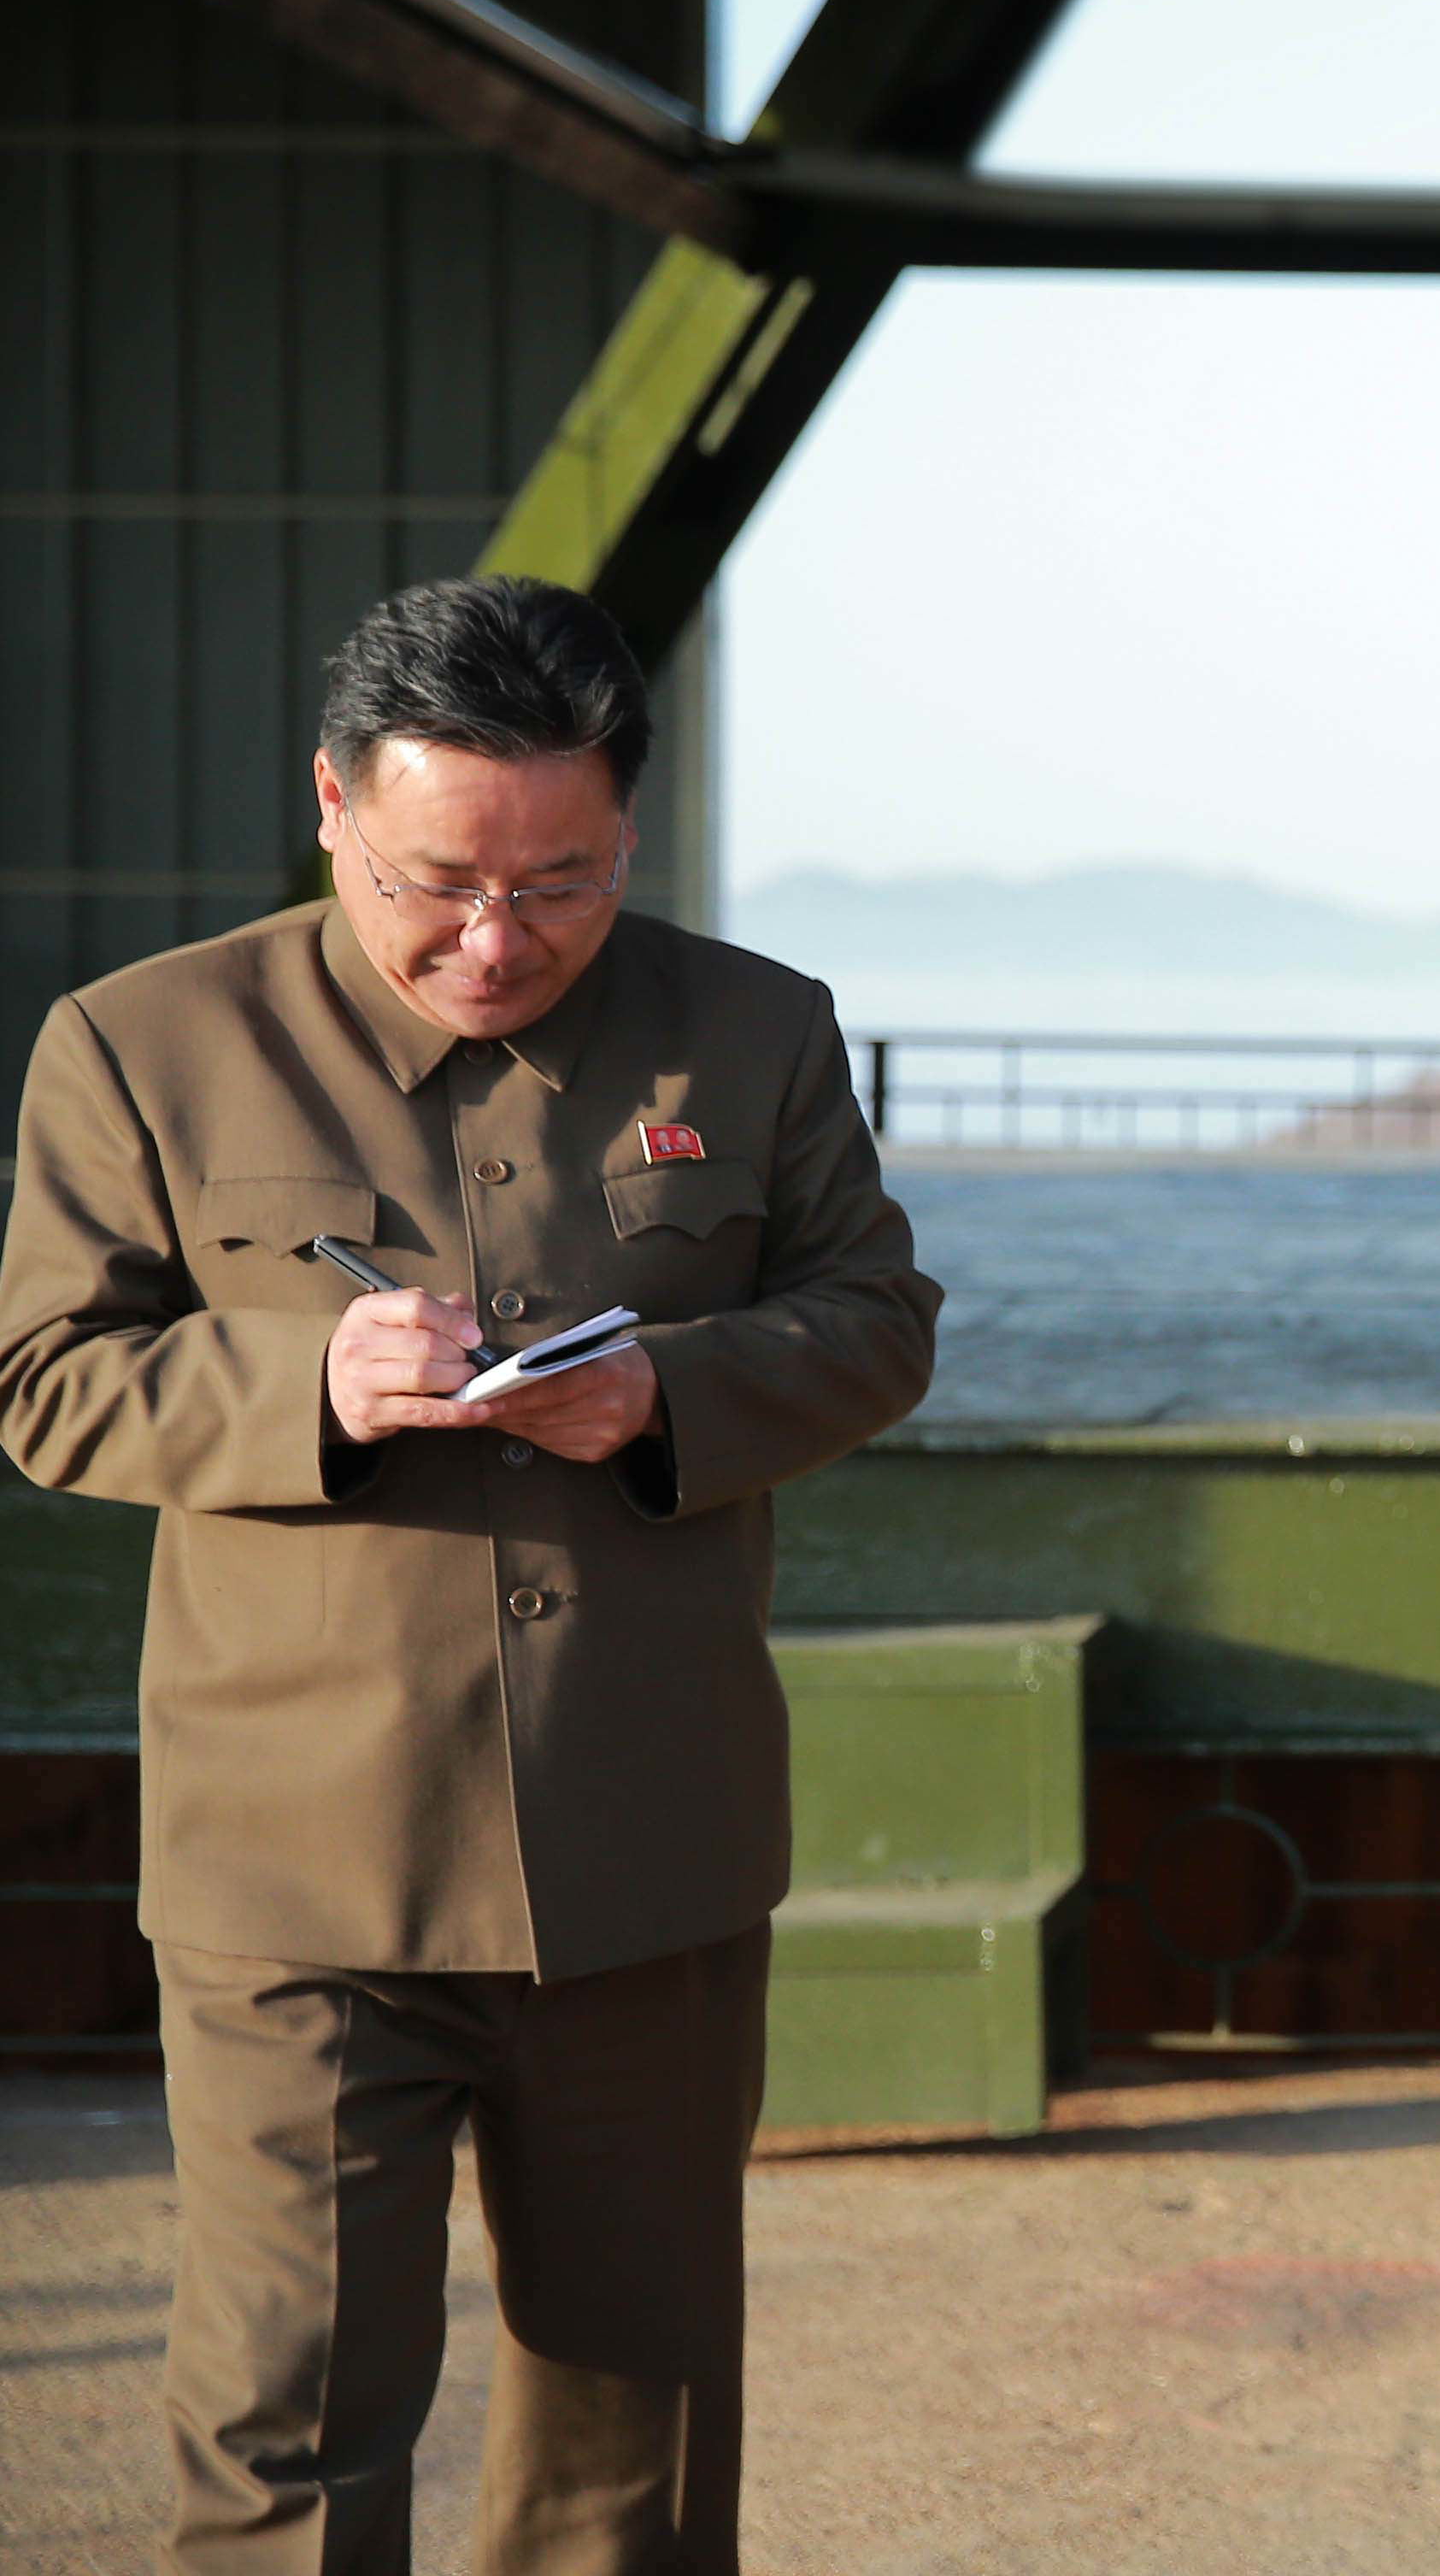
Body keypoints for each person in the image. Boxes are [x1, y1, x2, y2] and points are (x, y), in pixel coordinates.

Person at [0, 576, 940, 2573]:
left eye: (561, 885)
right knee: (282, 2432)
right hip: (297, 1869)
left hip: (648, 1843)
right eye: (437, 884)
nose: (496, 941)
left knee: (633, 2446)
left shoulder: (756, 1030)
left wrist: (671, 1394)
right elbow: (47, 1381)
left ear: (629, 833)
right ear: (331, 806)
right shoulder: (143, 1044)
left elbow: (875, 1324)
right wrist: (310, 1388)